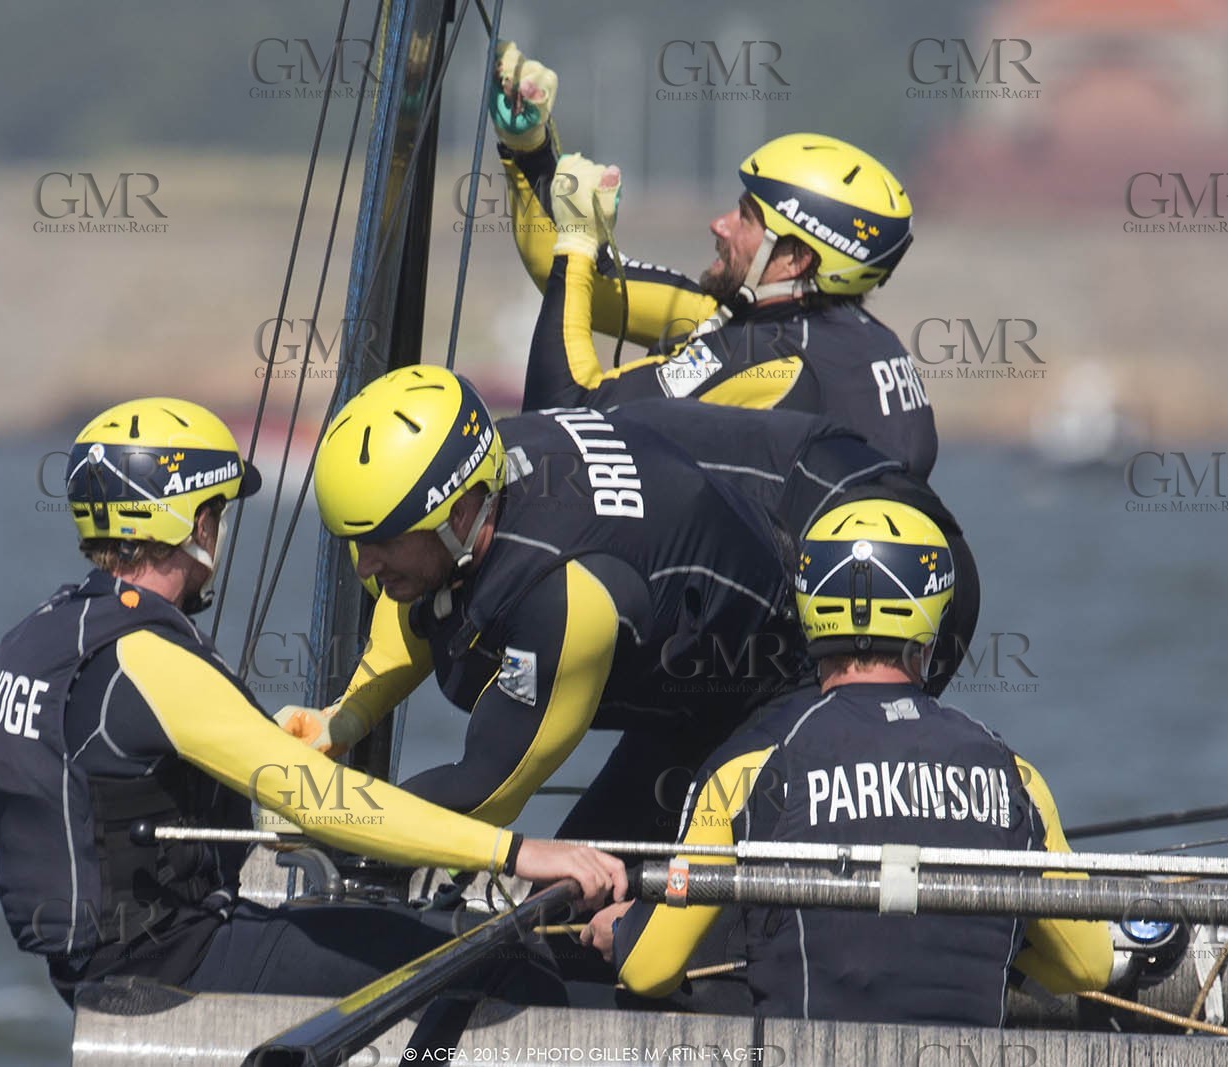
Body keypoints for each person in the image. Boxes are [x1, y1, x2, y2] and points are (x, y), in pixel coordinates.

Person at [0, 397, 625, 1006]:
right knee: (506, 966)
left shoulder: (40, 633)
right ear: (197, 523)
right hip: (177, 958)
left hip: (93, 960)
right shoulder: (147, 657)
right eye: (219, 514)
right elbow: (318, 798)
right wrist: (513, 853)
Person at [288, 367, 974, 844]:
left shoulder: (566, 596)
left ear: (461, 510)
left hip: (855, 595)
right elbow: (419, 598)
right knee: (583, 887)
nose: (365, 568)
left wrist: (332, 814)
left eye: (380, 543)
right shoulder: (489, 463)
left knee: (653, 903)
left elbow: (487, 792)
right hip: (724, 615)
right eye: (353, 543)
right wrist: (344, 717)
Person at [578, 499, 1111, 1022]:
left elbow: (650, 969)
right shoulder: (1016, 777)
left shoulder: (750, 772)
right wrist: (992, 945)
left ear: (810, 611)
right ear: (934, 617)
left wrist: (624, 931)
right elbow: (1090, 962)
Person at [489, 43, 937, 477]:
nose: (718, 225)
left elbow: (562, 422)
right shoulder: (858, 339)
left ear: (797, 259)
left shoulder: (769, 358)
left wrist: (578, 241)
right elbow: (580, 281)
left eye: (745, 217)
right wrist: (529, 150)